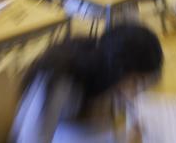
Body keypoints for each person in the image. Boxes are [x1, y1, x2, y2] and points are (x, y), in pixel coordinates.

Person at [9, 24, 163, 143]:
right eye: (136, 82)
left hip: (66, 127)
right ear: (118, 70)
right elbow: (30, 138)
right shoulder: (61, 82)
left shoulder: (101, 57)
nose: (137, 91)